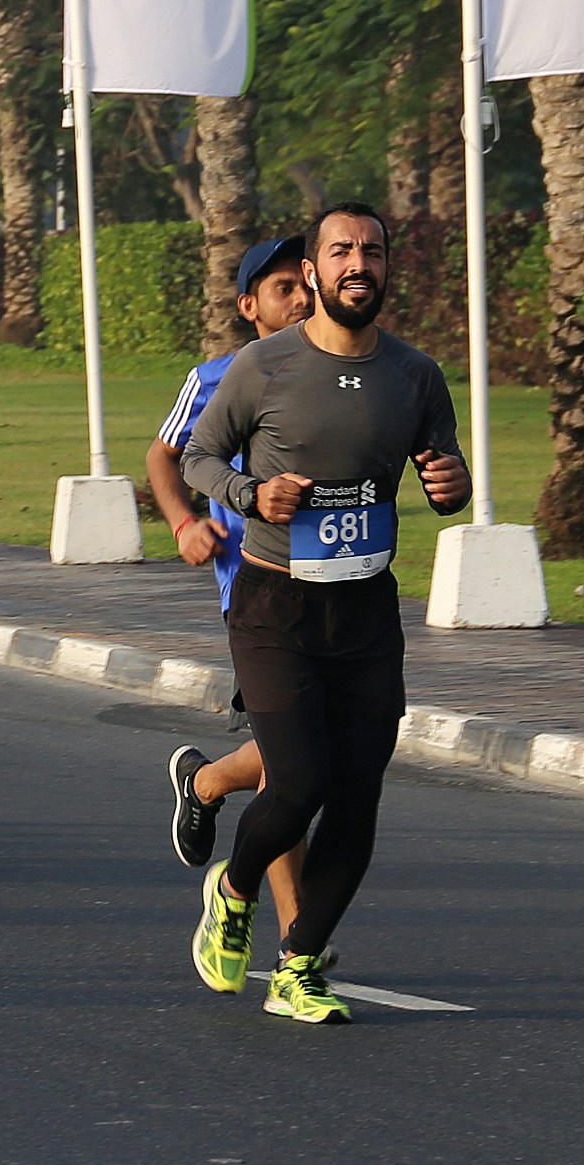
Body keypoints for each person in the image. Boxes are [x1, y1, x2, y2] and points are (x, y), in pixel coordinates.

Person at [174, 205, 470, 1025]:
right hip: (275, 605)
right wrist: (249, 494)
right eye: (341, 251)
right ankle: (234, 892)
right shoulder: (263, 365)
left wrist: (453, 486)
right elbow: (198, 457)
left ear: (387, 268)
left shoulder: (415, 374)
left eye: (372, 251)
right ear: (312, 272)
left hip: (366, 609)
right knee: (298, 779)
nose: (358, 264)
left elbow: (444, 469)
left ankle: (300, 965)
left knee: (358, 796)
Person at [149, 236, 320, 935]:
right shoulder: (215, 380)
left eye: (306, 284)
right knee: (288, 763)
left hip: (342, 590)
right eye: (284, 288)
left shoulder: (345, 375)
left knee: (319, 751)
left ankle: (206, 781)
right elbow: (164, 456)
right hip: (255, 594)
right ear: (249, 305)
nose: (302, 299)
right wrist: (184, 524)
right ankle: (297, 938)